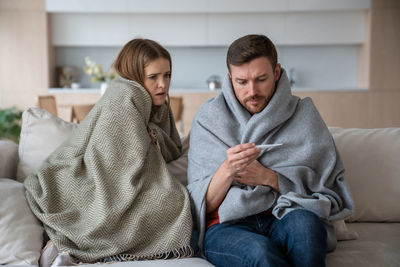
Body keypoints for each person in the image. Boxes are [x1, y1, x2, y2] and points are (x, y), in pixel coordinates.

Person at [187, 34, 354, 267]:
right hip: (228, 225)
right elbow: (198, 205)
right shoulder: (208, 119)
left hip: (286, 214)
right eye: (241, 82)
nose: (252, 91)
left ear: (276, 73)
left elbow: (328, 189)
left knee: (306, 230)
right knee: (259, 252)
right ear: (229, 78)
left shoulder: (303, 114)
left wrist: (269, 178)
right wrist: (227, 170)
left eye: (261, 79)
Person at [24, 39, 194, 263]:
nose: (163, 84)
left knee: (168, 201)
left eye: (167, 75)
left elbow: (170, 149)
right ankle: (71, 248)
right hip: (85, 176)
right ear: (135, 75)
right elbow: (116, 163)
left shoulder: (157, 103)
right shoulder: (126, 95)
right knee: (171, 201)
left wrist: (153, 134)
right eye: (153, 77)